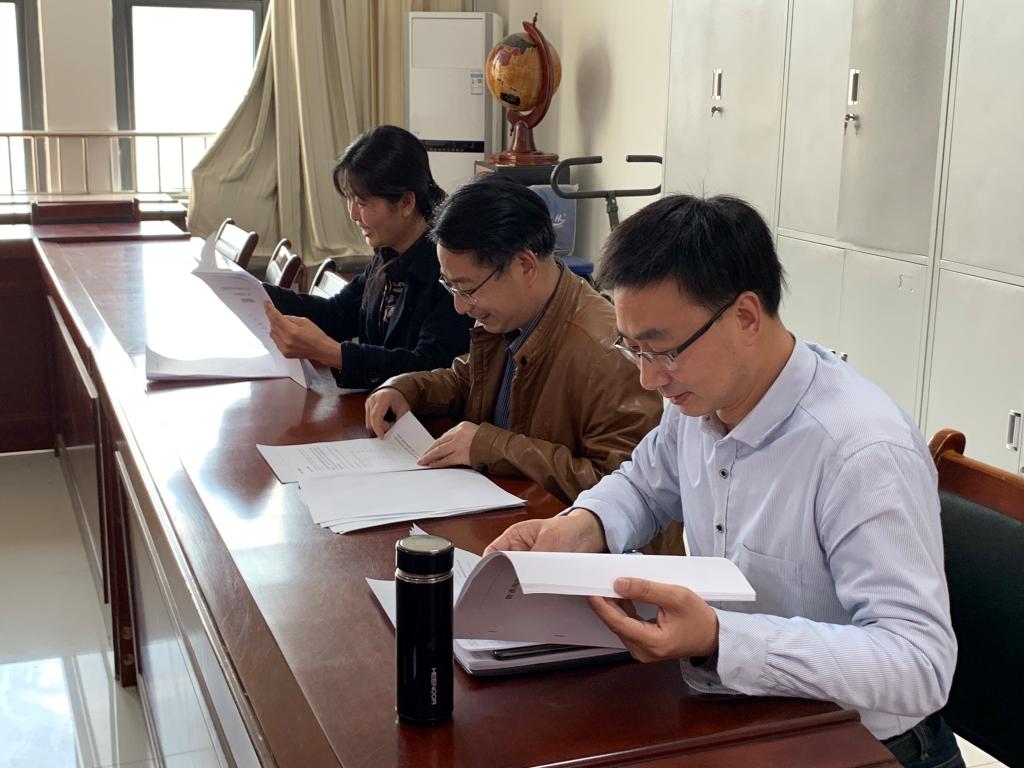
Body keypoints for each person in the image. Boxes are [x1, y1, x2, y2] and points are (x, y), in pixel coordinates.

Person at [486, 195, 963, 768]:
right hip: (740, 712)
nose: (649, 378)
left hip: (863, 745)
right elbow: (644, 484)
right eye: (632, 348)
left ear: (745, 318)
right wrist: (581, 527)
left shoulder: (860, 451)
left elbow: (920, 665)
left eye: (663, 350)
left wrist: (721, 638)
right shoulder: (700, 399)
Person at [364, 174, 665, 507]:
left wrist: (491, 447)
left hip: (555, 531)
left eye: (467, 289)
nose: (460, 307)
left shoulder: (608, 352)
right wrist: (404, 388)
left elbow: (623, 488)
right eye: (451, 287)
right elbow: (468, 381)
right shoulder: (509, 314)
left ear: (524, 265)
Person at [262, 125, 473, 390]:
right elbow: (336, 314)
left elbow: (429, 368)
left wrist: (333, 353)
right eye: (350, 199)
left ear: (407, 203)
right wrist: (256, 293)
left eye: (362, 203)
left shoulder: (447, 266)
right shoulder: (390, 253)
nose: (353, 214)